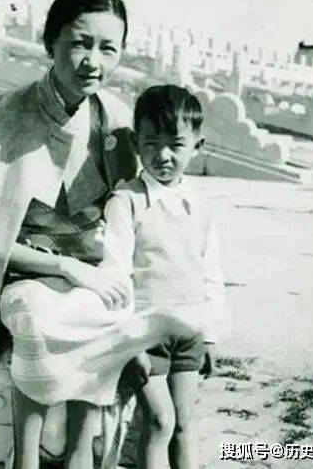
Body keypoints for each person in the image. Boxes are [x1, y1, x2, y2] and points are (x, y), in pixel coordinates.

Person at [0, 0, 200, 469]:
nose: (93, 61)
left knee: (106, 316)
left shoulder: (116, 121)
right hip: (25, 275)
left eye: (108, 48)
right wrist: (67, 267)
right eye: (80, 43)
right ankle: (26, 458)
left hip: (94, 272)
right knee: (39, 318)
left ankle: (79, 455)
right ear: (50, 43)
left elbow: (141, 212)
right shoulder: (10, 117)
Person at [99, 85, 226, 469]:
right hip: (144, 333)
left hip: (189, 332)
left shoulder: (200, 205)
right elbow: (115, 273)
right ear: (136, 143)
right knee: (159, 421)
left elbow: (210, 272)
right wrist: (130, 343)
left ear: (197, 146)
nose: (164, 155)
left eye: (176, 145)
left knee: (184, 424)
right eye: (152, 144)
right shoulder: (126, 201)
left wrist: (210, 334)